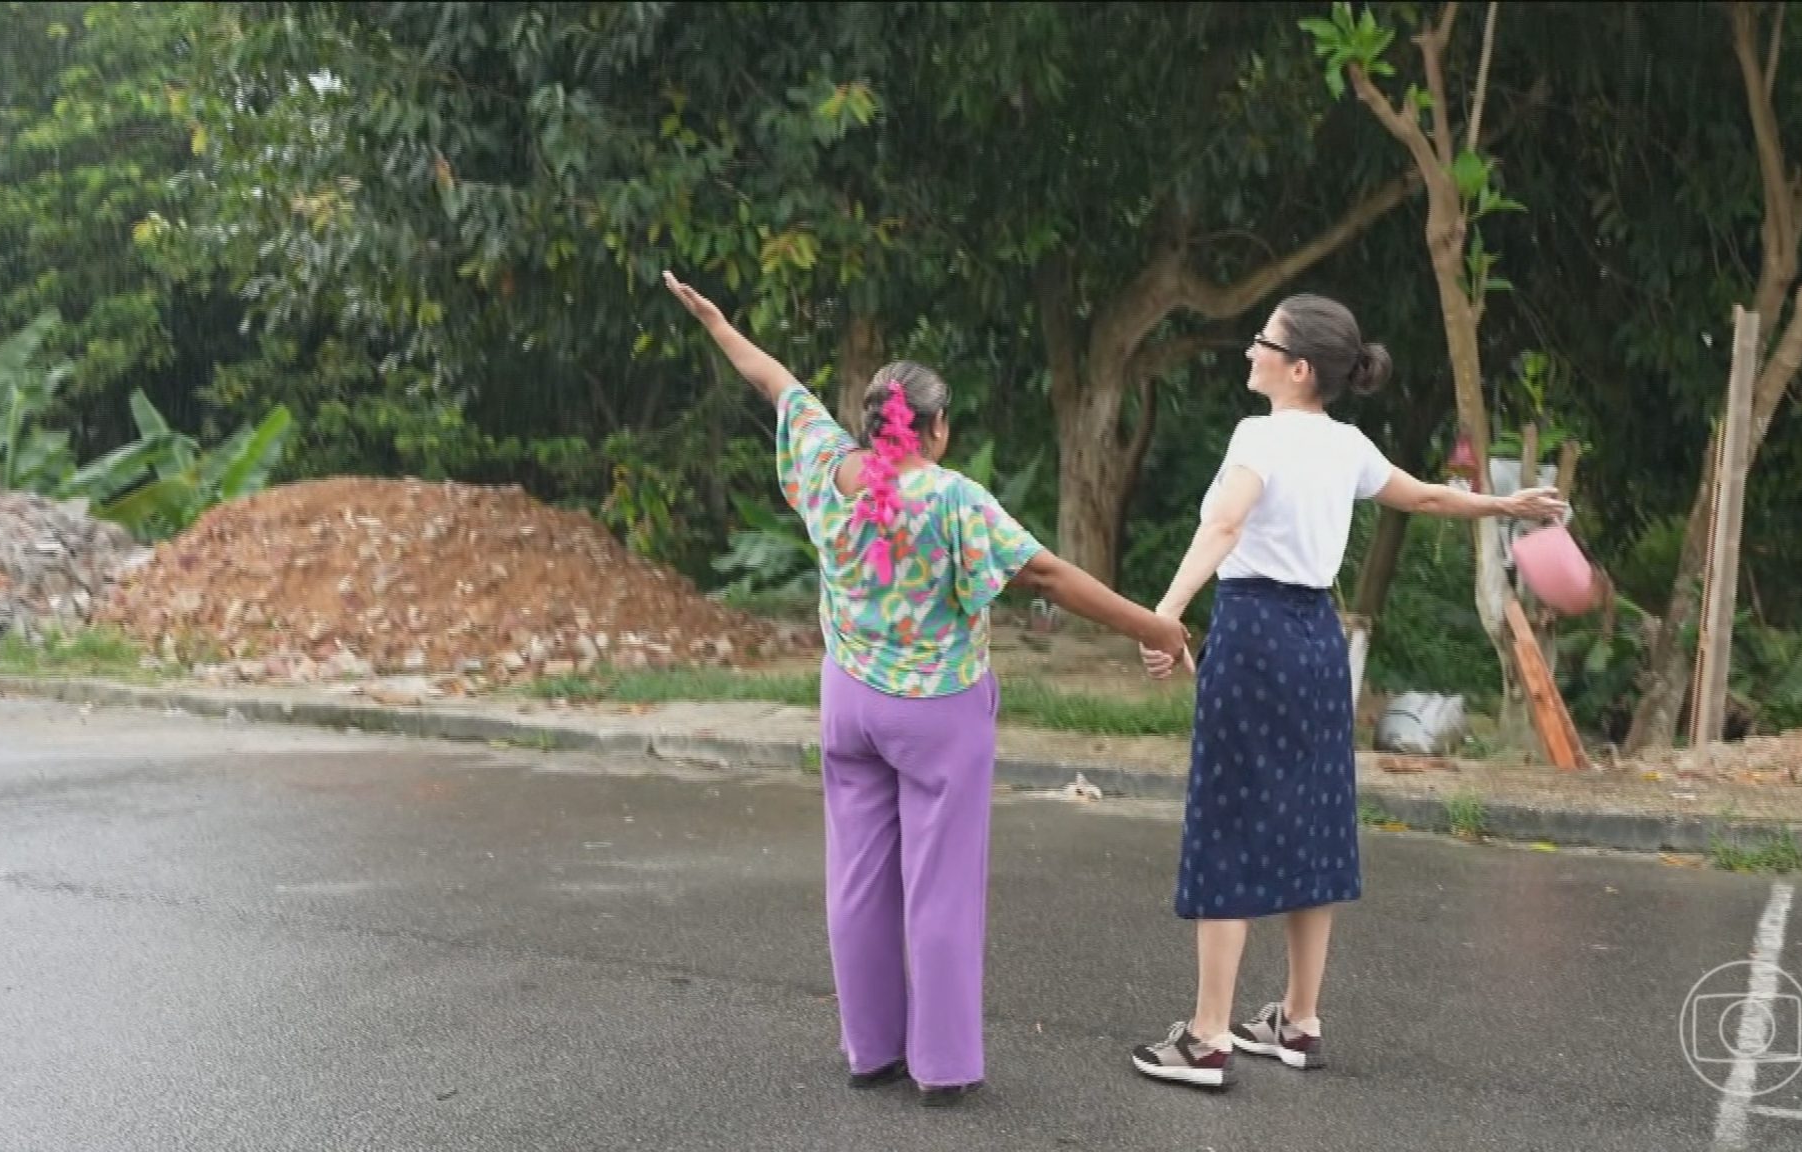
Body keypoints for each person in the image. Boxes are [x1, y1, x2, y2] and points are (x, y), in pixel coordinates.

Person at [664, 270, 1191, 1105]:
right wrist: (1156, 628)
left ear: (871, 421)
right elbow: (1047, 578)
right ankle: (941, 1066)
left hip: (848, 704)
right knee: (939, 889)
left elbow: (775, 382)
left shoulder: (829, 472)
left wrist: (718, 322)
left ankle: (871, 1050)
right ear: (937, 429)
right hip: (938, 713)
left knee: (859, 878)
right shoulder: (954, 501)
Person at [1128, 294, 1566, 1090]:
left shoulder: (1259, 435)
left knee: (1229, 819)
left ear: (1297, 369)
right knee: (1313, 818)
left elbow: (1224, 527)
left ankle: (1208, 1038)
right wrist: (1504, 503)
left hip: (1255, 632)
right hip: (1318, 643)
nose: (1249, 350)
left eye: (1263, 340)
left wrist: (1164, 613)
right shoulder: (1347, 445)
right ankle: (1298, 1022)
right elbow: (1429, 496)